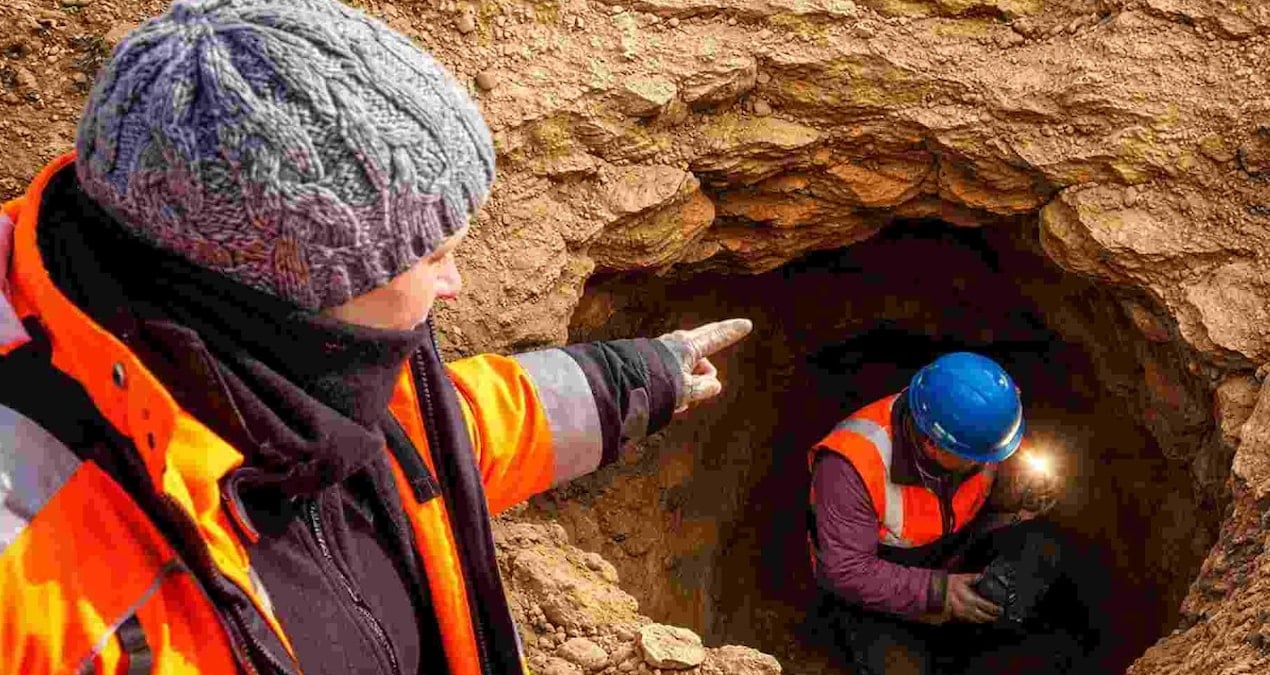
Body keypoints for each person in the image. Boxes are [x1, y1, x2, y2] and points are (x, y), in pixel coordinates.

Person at [0, 1, 752, 673]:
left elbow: (430, 444)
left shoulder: (289, 365)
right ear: (294, 285)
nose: (454, 283)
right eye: (431, 256)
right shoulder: (27, 570)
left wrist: (631, 377)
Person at [807, 352, 1107, 674]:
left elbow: (988, 482)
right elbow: (844, 570)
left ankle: (1001, 638)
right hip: (880, 593)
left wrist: (1020, 501)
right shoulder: (850, 468)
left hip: (955, 550)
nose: (990, 462)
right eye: (977, 457)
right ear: (931, 444)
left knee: (1042, 549)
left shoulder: (982, 424)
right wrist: (941, 594)